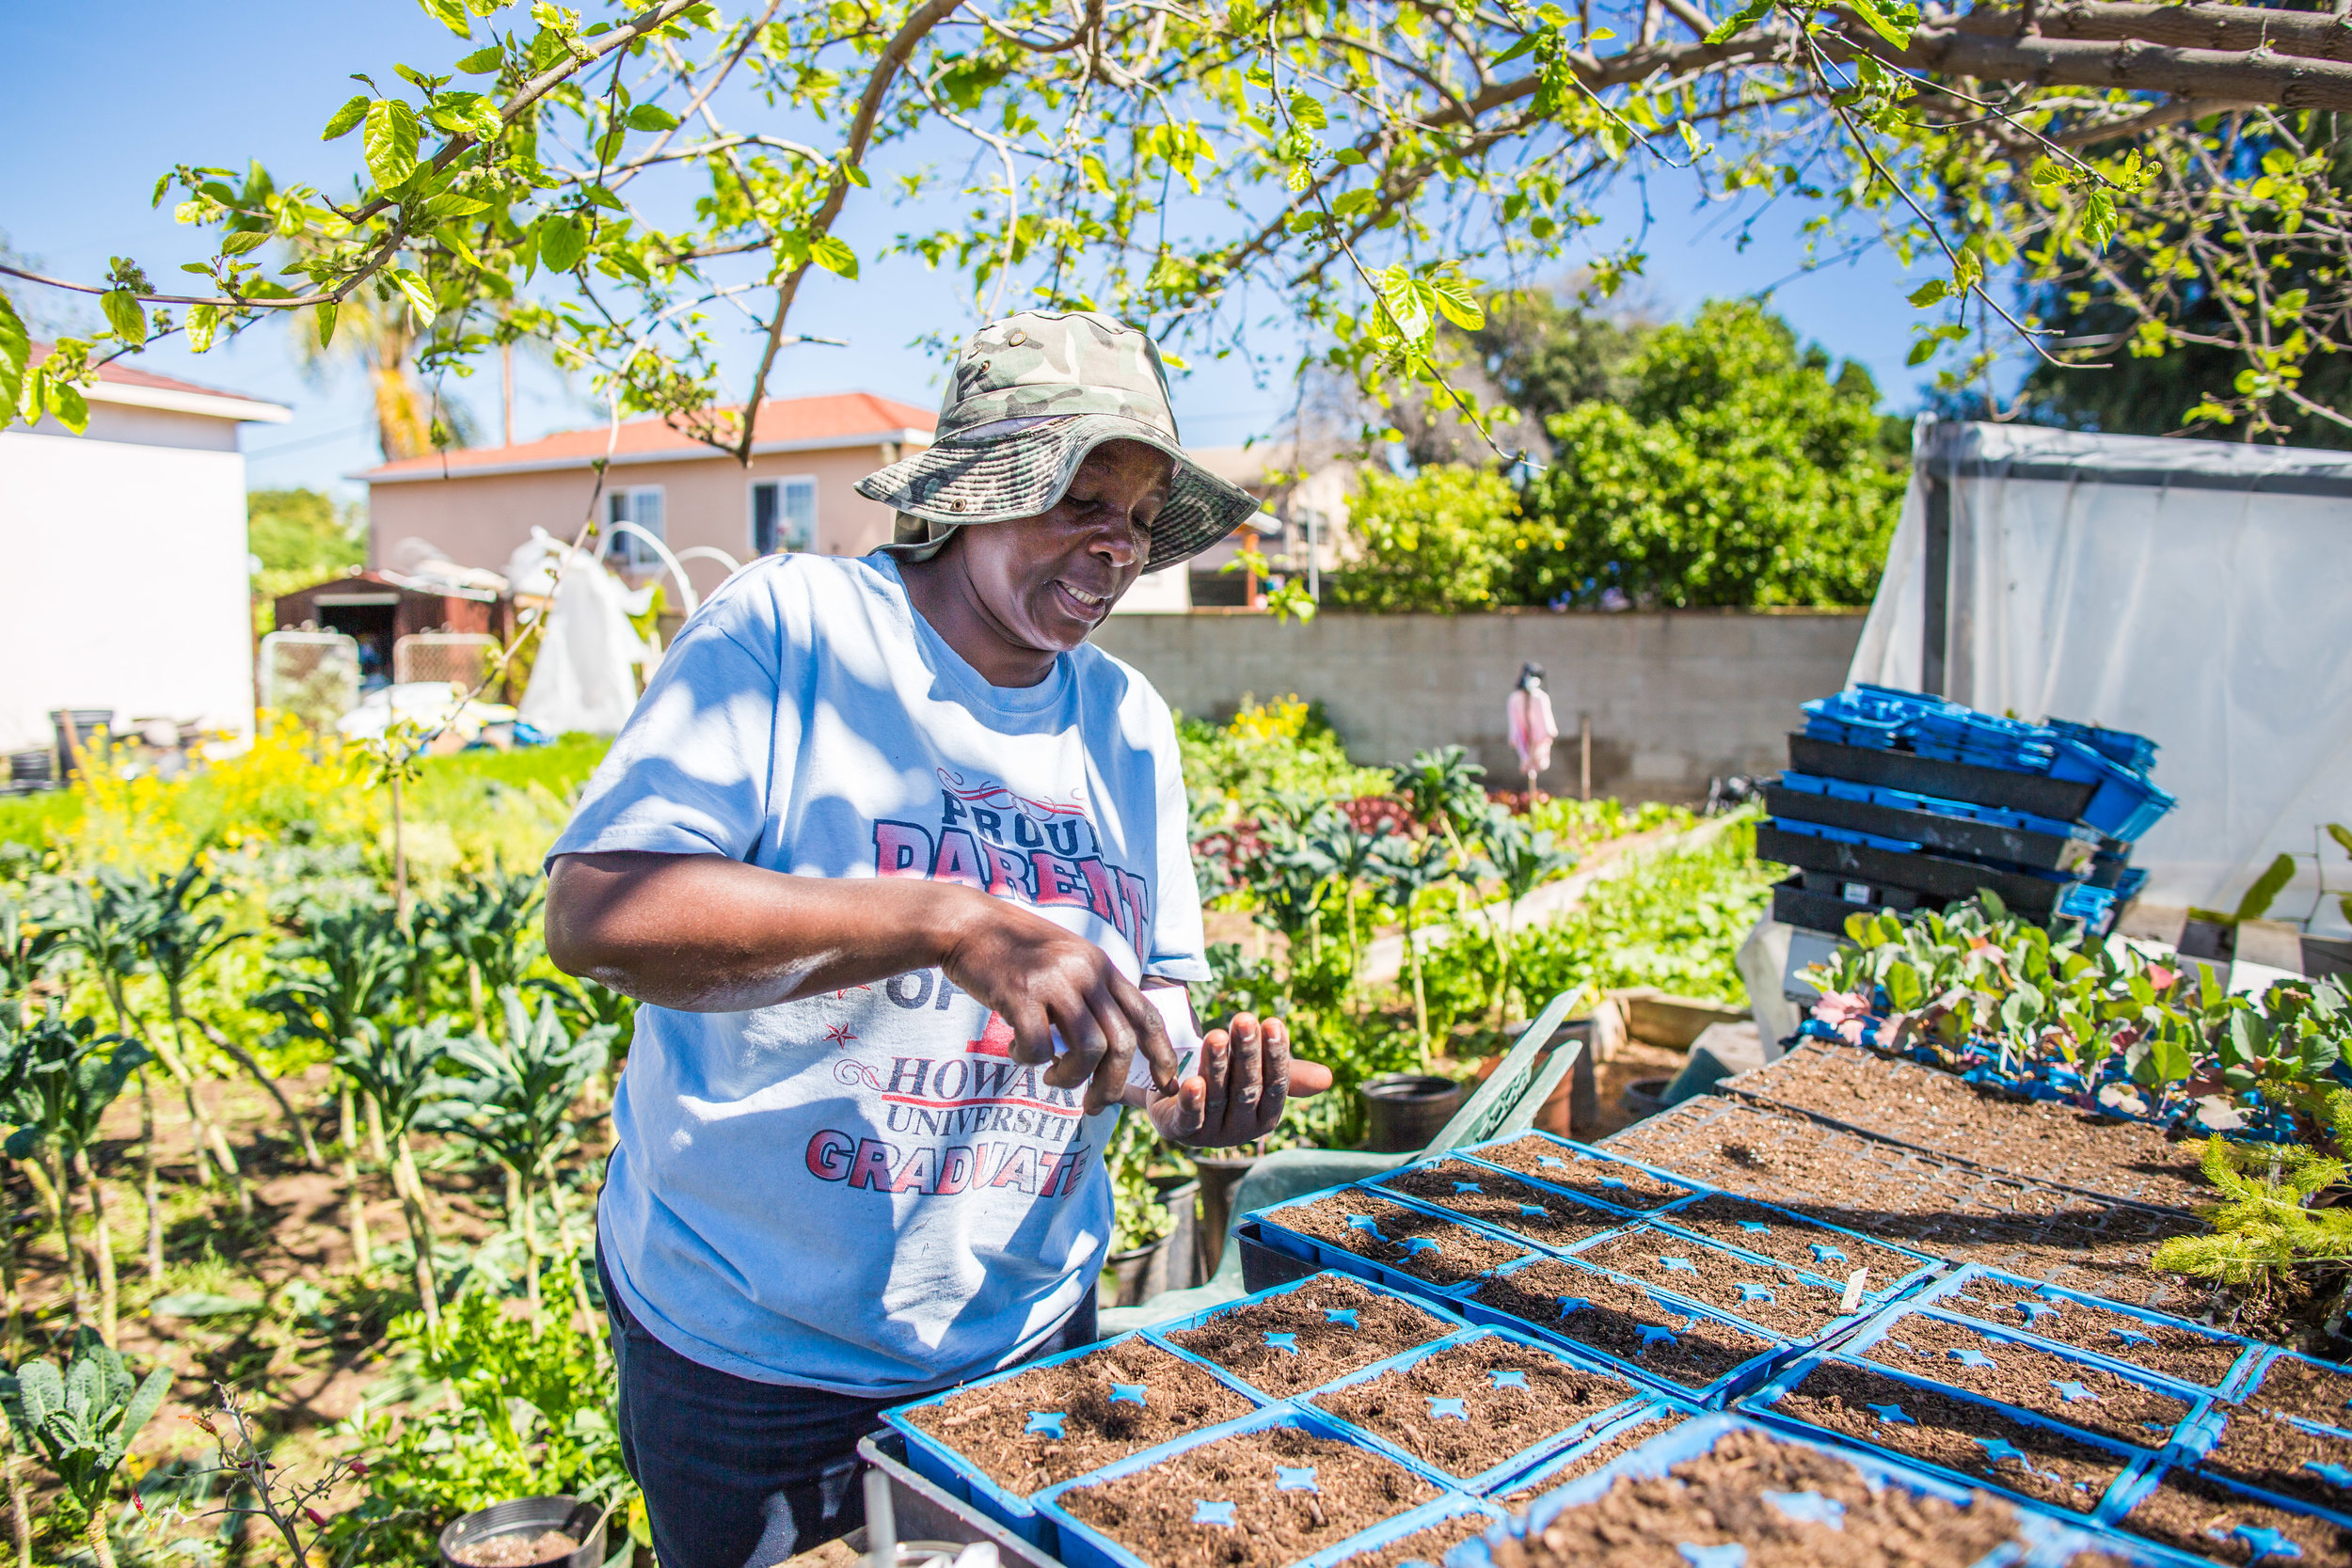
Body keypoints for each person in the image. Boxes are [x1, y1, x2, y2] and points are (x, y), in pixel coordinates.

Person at [542, 310, 1333, 1568]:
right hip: (759, 1351)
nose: (1113, 545)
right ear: (971, 491)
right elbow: (600, 911)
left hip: (1026, 1329)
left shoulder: (1124, 719)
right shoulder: (798, 629)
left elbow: (1156, 987)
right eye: (1076, 496)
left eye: (1132, 515)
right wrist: (944, 918)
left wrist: (1179, 1089)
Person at [1506, 661, 1559, 799]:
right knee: (1527, 762)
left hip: (1538, 739)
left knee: (1536, 761)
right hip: (1524, 739)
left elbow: (1547, 726)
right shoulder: (1515, 699)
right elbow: (1515, 724)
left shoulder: (1540, 698)